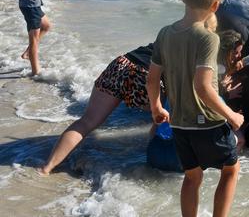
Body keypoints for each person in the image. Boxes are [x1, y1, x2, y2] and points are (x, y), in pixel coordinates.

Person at [147, 0, 243, 217]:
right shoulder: (208, 38)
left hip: (179, 123)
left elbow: (152, 79)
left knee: (192, 177)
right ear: (215, 5)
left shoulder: (165, 33)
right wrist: (231, 116)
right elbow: (203, 87)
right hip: (207, 123)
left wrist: (156, 107)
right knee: (231, 170)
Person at [38, 44, 159, 175]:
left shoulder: (169, 34)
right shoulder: (182, 48)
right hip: (145, 75)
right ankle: (153, 163)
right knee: (160, 118)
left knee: (87, 121)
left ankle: (47, 167)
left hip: (121, 65)